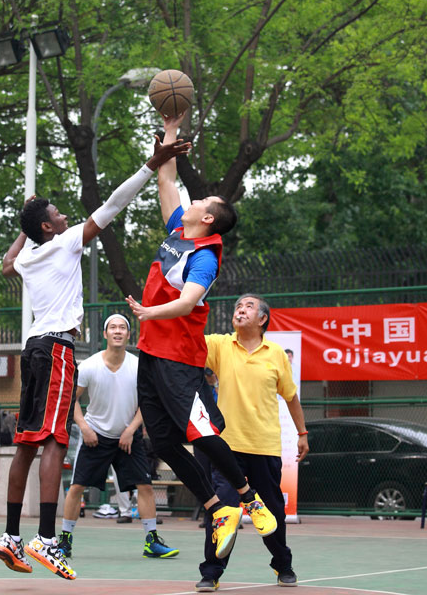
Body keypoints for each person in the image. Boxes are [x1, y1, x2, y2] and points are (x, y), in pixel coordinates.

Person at [0, 136, 191, 581]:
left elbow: (5, 264)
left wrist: (26, 224)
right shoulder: (63, 243)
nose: (64, 216)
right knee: (54, 441)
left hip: (31, 350)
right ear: (49, 228)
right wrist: (152, 163)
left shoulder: (29, 255)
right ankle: (46, 539)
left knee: (26, 441)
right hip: (56, 348)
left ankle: (10, 536)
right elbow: (114, 204)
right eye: (56, 214)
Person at [125, 113, 276, 566]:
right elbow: (166, 178)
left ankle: (249, 500)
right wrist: (169, 132)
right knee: (165, 445)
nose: (193, 199)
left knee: (203, 432)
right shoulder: (177, 230)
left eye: (204, 199)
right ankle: (218, 506)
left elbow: (189, 302)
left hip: (179, 359)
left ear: (206, 217)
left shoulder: (205, 257)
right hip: (151, 355)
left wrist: (151, 311)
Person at [196, 294, 309, 592]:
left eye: (248, 306)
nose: (240, 310)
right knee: (222, 512)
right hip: (227, 447)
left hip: (265, 446)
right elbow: (189, 340)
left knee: (272, 512)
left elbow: (291, 397)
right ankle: (211, 572)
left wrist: (302, 434)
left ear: (262, 319)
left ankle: (283, 565)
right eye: (237, 307)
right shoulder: (220, 345)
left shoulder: (276, 354)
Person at [58, 314, 179, 560]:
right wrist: (84, 427)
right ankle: (64, 541)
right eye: (112, 327)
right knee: (77, 486)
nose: (117, 331)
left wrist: (131, 429)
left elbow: (147, 402)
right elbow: (73, 400)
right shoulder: (90, 365)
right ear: (105, 334)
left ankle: (152, 541)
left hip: (127, 438)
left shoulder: (138, 366)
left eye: (122, 327)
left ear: (127, 335)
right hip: (96, 436)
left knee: (144, 486)